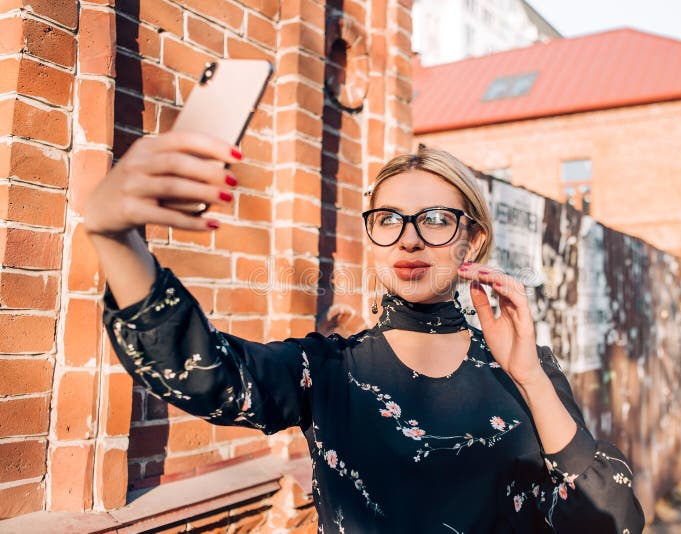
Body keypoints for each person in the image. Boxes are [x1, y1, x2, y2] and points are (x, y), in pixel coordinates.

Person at [85, 132, 645, 533]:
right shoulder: (328, 370)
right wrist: (115, 239)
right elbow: (203, 374)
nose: (408, 240)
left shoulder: (527, 370)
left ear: (470, 242)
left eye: (434, 219)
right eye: (388, 220)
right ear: (373, 238)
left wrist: (528, 378)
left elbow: (613, 519)